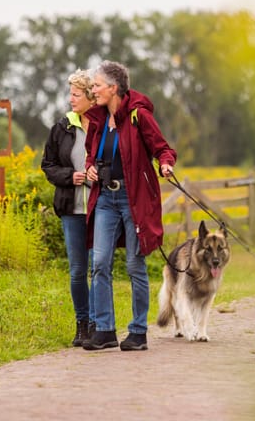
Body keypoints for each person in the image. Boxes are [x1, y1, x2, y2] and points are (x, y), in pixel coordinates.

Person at [81, 60, 176, 351]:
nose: (92, 89)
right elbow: (90, 154)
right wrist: (89, 169)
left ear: (113, 88)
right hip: (105, 199)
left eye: (97, 85)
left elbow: (162, 148)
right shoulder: (97, 120)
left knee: (135, 265)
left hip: (133, 200)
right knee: (99, 264)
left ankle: (137, 332)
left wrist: (165, 164)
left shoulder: (138, 116)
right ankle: (105, 331)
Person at [41, 69, 96, 347]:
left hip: (101, 208)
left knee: (100, 268)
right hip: (71, 208)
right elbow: (48, 165)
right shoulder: (61, 128)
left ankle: (100, 323)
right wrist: (69, 177)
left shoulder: (104, 126)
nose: (70, 98)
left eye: (76, 94)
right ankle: (82, 324)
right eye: (70, 93)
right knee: (77, 270)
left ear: (90, 97)